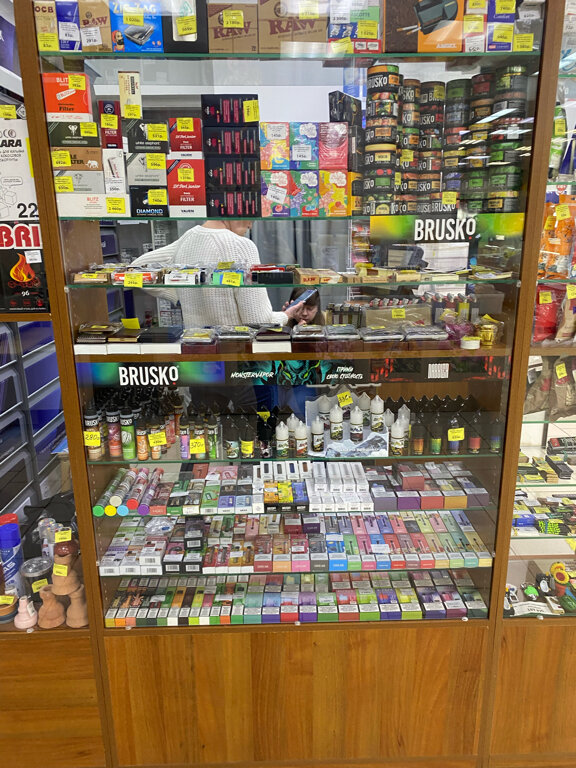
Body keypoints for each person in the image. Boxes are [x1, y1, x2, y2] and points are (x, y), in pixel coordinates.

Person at [130, 220, 304, 327]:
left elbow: (134, 269)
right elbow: (259, 321)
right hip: (234, 358)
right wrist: (286, 315)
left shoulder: (189, 238)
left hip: (195, 353)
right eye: (250, 216)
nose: (251, 225)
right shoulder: (242, 245)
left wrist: (181, 294)